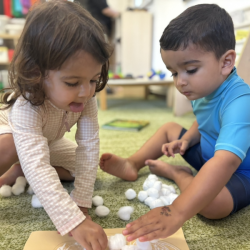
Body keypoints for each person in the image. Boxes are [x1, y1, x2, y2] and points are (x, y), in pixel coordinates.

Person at [100, 4, 250, 241]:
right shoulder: (203, 88)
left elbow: (226, 161)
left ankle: (178, 174)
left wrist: (177, 211)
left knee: (213, 206)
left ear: (226, 62)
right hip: (208, 157)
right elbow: (204, 122)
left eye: (190, 69)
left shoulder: (241, 102)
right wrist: (187, 139)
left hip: (241, 171)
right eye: (174, 73)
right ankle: (133, 163)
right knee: (169, 128)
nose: (180, 82)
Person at [0, 1, 112, 249]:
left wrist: (81, 204)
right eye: (72, 83)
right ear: (36, 73)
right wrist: (72, 221)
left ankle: (20, 171)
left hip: (46, 139)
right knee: (11, 150)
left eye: (93, 79)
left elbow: (89, 146)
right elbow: (38, 164)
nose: (86, 92)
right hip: (7, 131)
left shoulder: (87, 95)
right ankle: (17, 167)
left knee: (83, 168)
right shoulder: (26, 107)